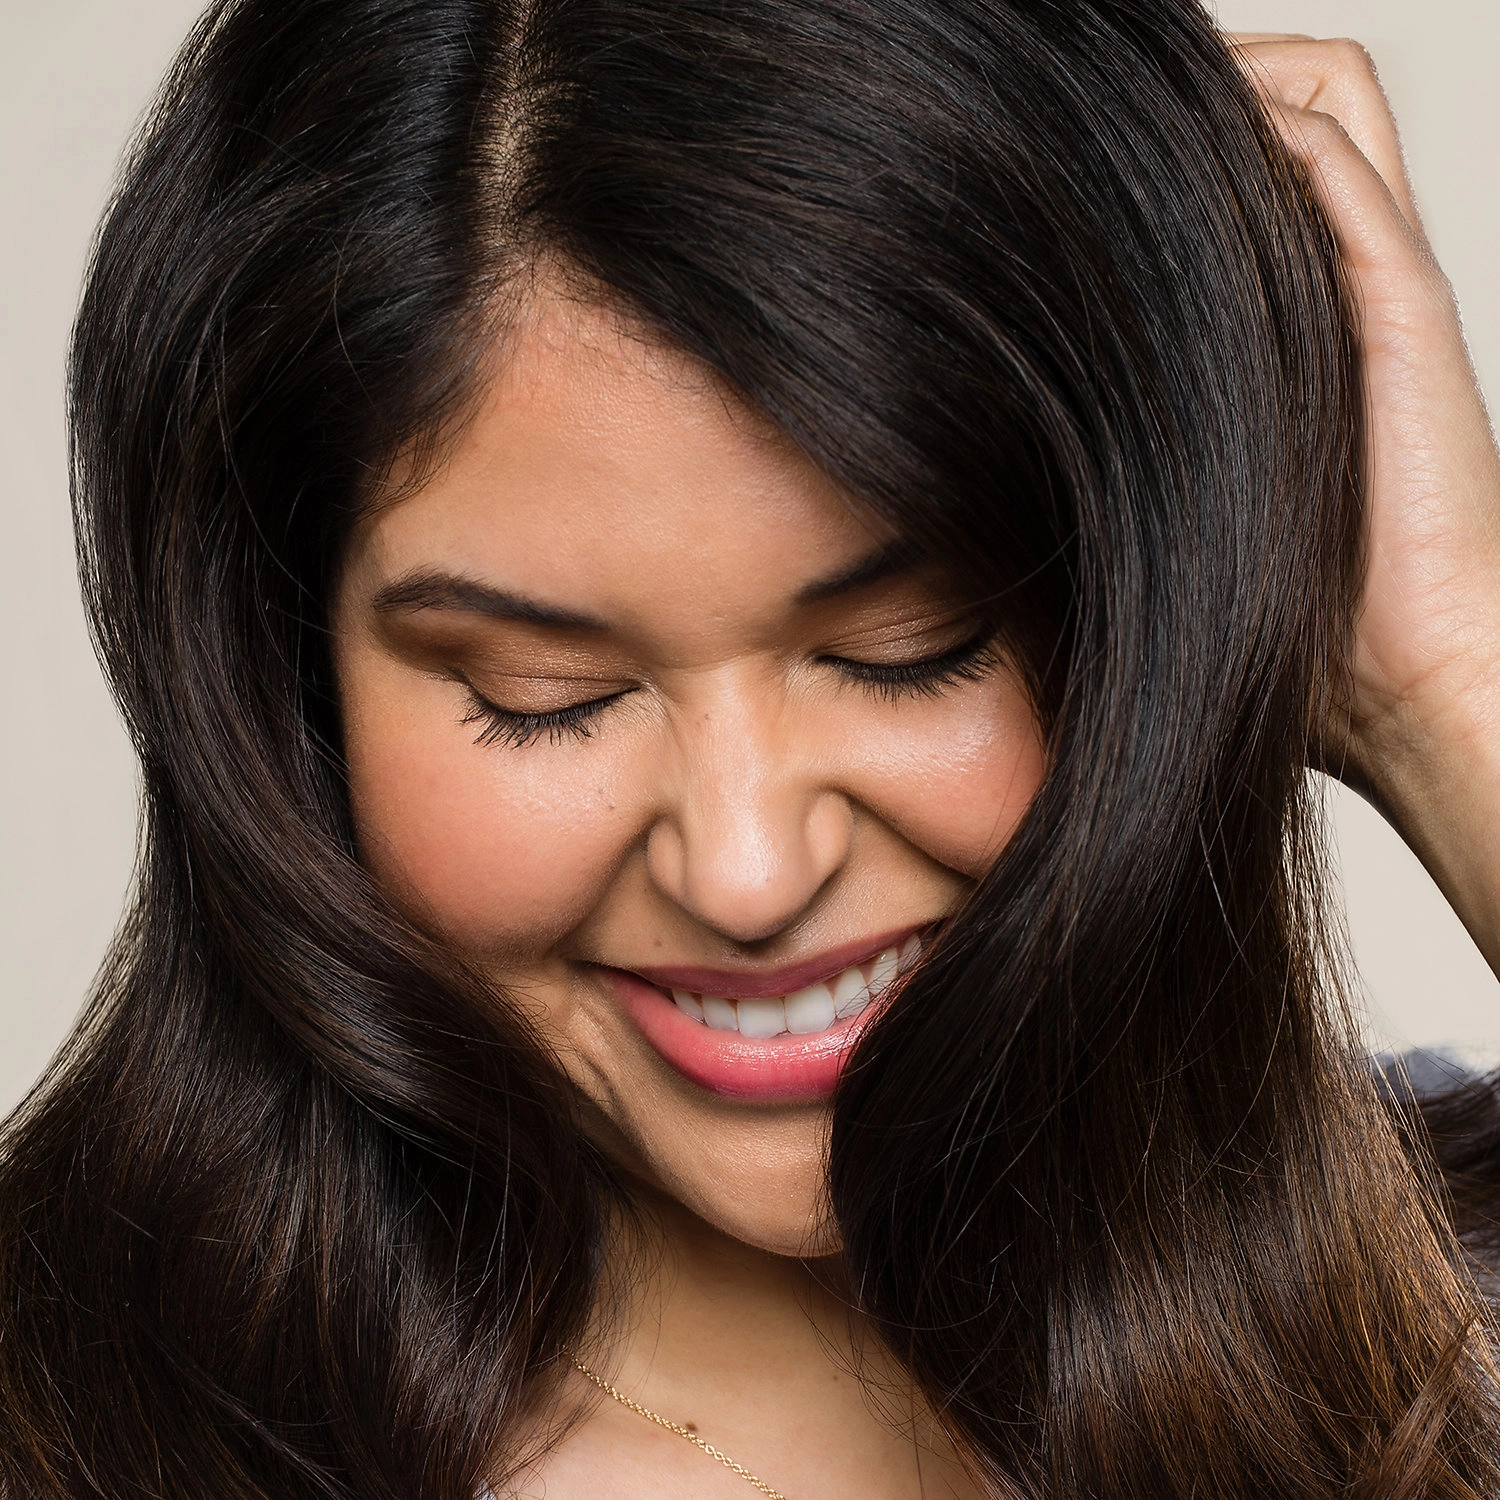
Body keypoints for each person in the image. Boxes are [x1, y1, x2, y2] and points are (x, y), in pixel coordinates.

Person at [3, 0, 1500, 1495]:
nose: (746, 874)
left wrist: (1447, 684)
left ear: (1149, 597)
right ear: (290, 672)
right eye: (543, 693)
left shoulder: (1435, 1304)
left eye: (908, 650)